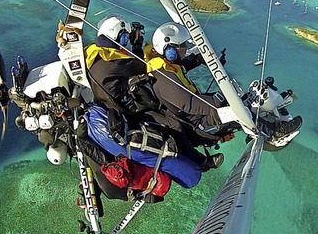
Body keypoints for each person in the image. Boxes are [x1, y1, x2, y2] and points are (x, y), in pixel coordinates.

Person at [85, 14, 222, 172]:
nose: (127, 40)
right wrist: (139, 46)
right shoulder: (113, 63)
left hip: (112, 103)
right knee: (173, 124)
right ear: (117, 35)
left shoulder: (96, 54)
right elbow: (146, 66)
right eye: (125, 36)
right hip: (129, 111)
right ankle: (200, 162)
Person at [147, 22, 302, 142]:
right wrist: (222, 98)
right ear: (169, 50)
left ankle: (260, 123)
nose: (185, 49)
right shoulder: (163, 78)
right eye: (182, 46)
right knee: (236, 110)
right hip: (198, 125)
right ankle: (274, 133)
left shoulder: (168, 67)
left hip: (200, 116)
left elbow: (184, 64)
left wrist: (203, 59)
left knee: (243, 99)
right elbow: (190, 104)